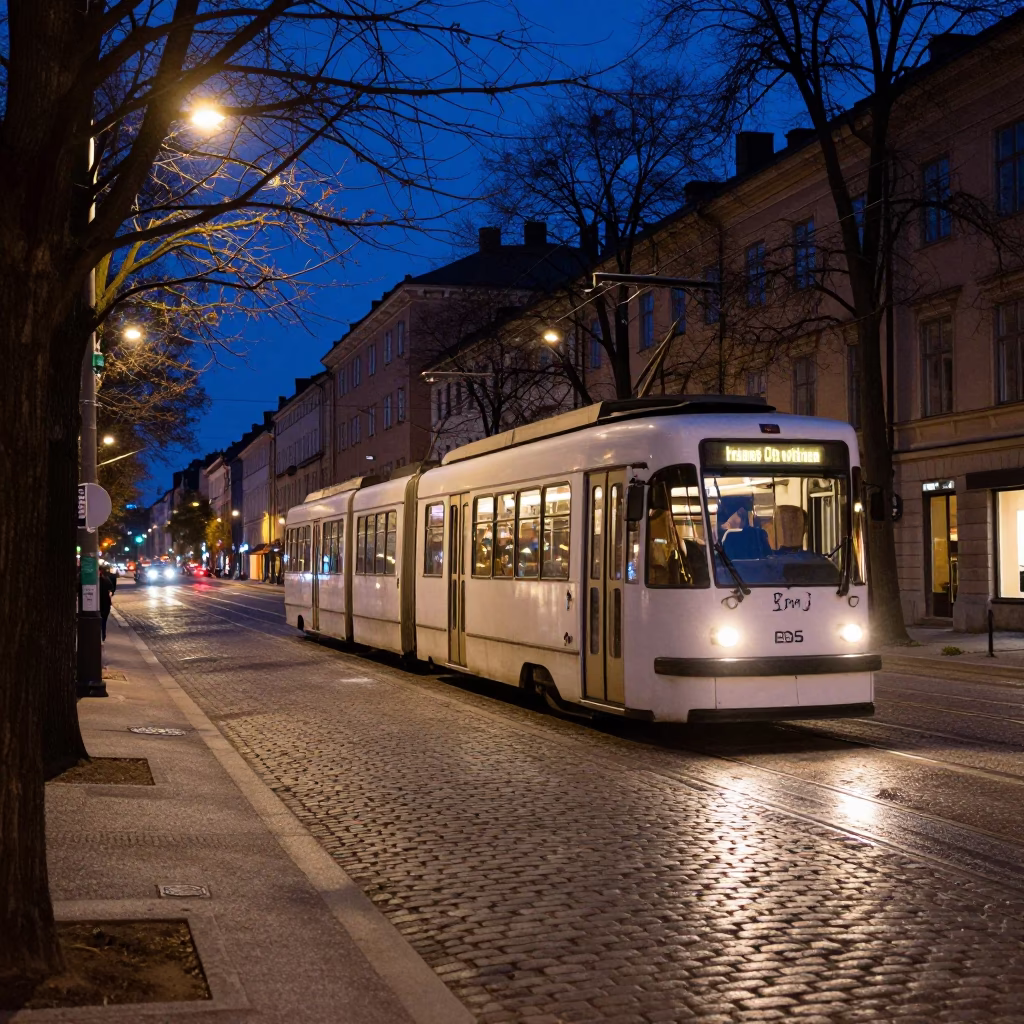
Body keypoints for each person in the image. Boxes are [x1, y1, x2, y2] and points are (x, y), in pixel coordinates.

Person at [99, 565, 117, 642]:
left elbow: (111, 590)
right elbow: (111, 590)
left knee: (103, 621)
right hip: (103, 605)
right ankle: (102, 636)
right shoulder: (106, 579)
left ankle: (102, 636)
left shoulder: (105, 580)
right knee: (102, 621)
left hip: (104, 605)